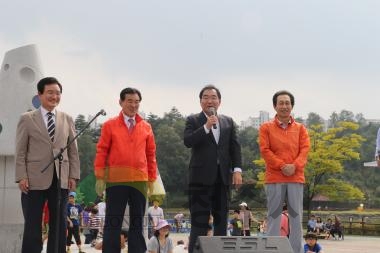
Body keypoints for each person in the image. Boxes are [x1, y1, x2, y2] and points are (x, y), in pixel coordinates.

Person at [15, 76, 80, 253]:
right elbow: (20, 150)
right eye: (50, 92)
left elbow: (73, 150)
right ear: (40, 94)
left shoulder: (67, 118)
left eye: (58, 93)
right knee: (33, 223)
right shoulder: (27, 118)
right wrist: (21, 176)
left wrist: (73, 175)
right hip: (33, 179)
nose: (54, 96)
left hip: (61, 178)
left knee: (59, 222)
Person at [94, 87, 157, 253]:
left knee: (138, 220)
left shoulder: (146, 127)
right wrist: (100, 176)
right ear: (121, 102)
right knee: (113, 219)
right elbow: (102, 151)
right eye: (129, 101)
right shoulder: (109, 125)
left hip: (140, 180)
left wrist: (151, 179)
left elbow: (151, 155)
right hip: (116, 179)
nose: (133, 105)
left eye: (137, 102)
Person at [184, 85, 242, 252]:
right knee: (199, 221)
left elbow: (234, 148)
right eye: (206, 97)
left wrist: (237, 170)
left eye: (213, 97)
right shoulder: (193, 120)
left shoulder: (228, 121)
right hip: (199, 179)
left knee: (221, 221)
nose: (210, 100)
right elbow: (188, 141)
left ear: (219, 101)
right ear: (200, 101)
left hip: (223, 178)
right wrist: (206, 127)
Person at [259, 90, 310, 253]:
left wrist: (294, 166)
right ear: (275, 106)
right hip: (274, 177)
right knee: (274, 216)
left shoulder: (301, 128)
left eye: (287, 103)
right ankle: (272, 251)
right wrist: (282, 166)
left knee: (296, 218)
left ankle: (296, 251)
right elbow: (265, 150)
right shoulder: (265, 128)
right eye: (281, 103)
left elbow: (305, 150)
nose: (284, 106)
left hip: (296, 177)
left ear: (292, 106)